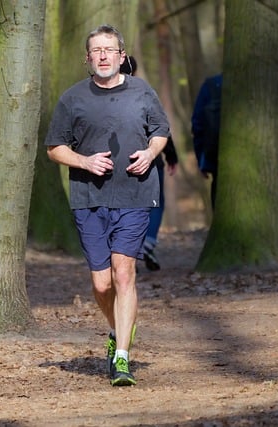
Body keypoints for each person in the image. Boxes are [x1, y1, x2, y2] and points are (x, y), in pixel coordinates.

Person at [45, 25, 170, 386]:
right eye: (96, 51)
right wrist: (84, 161)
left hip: (135, 194)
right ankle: (119, 330)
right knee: (102, 285)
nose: (103, 56)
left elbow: (161, 131)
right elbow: (54, 148)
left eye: (109, 50)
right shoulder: (72, 99)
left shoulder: (142, 92)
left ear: (121, 56)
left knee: (124, 273)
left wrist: (150, 154)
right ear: (88, 58)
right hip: (89, 199)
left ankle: (122, 358)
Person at [120, 56, 179, 271]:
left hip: (121, 162)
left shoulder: (101, 97)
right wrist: (171, 156)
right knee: (155, 203)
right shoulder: (145, 93)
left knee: (127, 205)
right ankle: (148, 242)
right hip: (151, 160)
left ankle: (129, 249)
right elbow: (160, 127)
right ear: (134, 71)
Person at [191, 73, 222, 209]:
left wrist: (202, 160)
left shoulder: (211, 85)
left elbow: (198, 124)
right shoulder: (257, 82)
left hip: (216, 158)